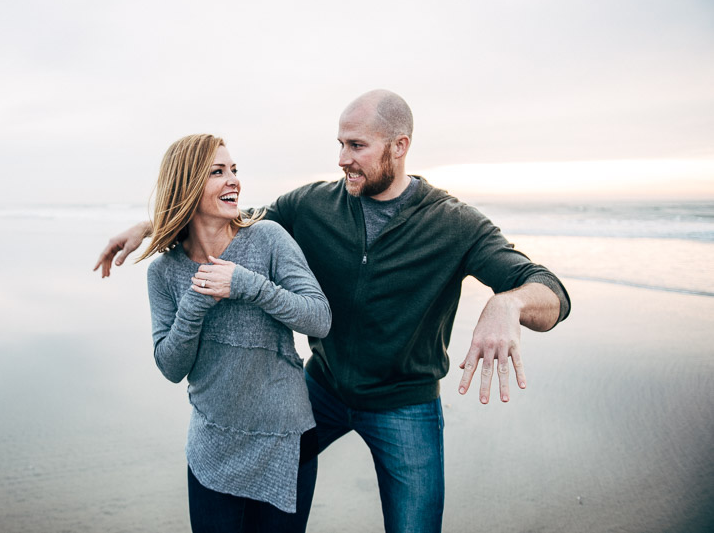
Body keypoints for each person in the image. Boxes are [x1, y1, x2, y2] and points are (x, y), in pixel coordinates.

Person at [95, 91, 571, 533]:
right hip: (319, 391)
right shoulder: (311, 205)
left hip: (403, 405)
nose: (342, 158)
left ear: (399, 146)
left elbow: (550, 292)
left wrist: (509, 302)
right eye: (340, 144)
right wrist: (152, 226)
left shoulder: (454, 223)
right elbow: (225, 219)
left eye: (357, 145)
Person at [136, 133, 331, 533]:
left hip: (285, 441)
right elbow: (171, 367)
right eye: (218, 172)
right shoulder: (163, 272)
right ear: (187, 184)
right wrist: (195, 302)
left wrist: (248, 285)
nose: (234, 181)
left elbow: (319, 318)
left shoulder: (269, 238)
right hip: (213, 449)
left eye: (235, 170)